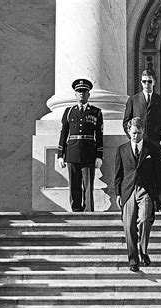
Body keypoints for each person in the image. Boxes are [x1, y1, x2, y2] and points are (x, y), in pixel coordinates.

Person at [114, 117, 161, 272]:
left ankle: (143, 251)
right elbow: (118, 174)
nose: (136, 136)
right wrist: (117, 193)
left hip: (146, 190)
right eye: (133, 133)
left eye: (139, 133)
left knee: (143, 220)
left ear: (143, 131)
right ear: (129, 132)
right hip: (128, 190)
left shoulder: (152, 149)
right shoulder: (122, 150)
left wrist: (160, 195)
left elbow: (158, 172)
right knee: (128, 225)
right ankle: (133, 259)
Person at [58, 78, 104, 212]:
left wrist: (99, 155)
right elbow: (63, 133)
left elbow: (99, 135)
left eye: (84, 92)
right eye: (79, 92)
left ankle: (89, 211)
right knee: (74, 185)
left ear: (89, 94)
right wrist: (61, 154)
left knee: (88, 186)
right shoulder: (69, 112)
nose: (81, 94)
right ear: (75, 94)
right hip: (72, 152)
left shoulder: (96, 112)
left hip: (89, 152)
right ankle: (76, 210)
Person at [123, 69, 161, 150]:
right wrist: (132, 136)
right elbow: (126, 122)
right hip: (138, 143)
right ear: (141, 82)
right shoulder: (133, 100)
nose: (146, 84)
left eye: (149, 81)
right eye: (144, 81)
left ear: (154, 82)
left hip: (156, 143)